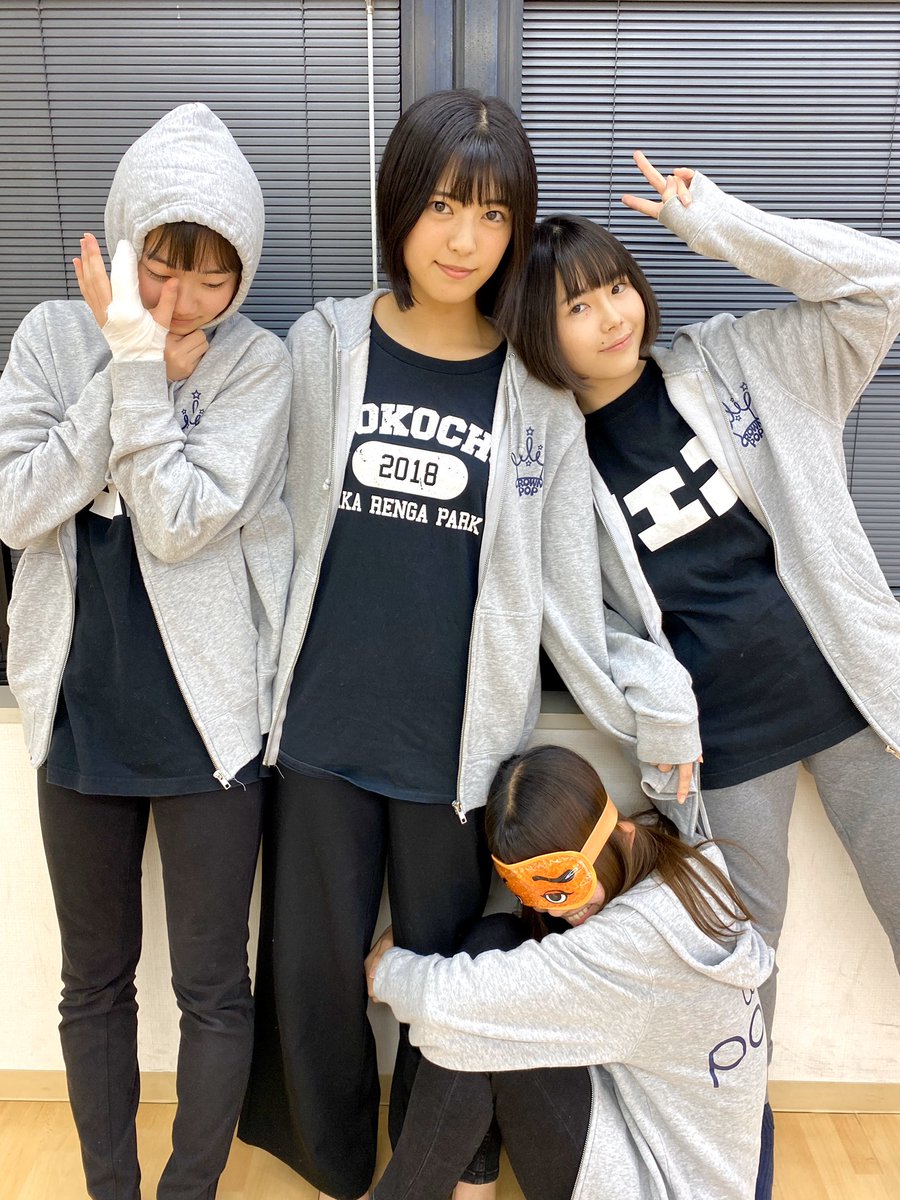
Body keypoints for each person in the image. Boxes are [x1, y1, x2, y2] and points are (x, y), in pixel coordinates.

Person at [237, 91, 701, 1200]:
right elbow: (260, 528)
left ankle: (444, 1164)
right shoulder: (324, 348)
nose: (464, 239)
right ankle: (330, 1167)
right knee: (311, 975)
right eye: (444, 205)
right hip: (320, 728)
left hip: (455, 753)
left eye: (493, 215)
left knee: (453, 976)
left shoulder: (535, 391)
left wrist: (658, 704)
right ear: (401, 203)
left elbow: (571, 591)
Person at [503, 150, 900, 1186]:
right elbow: (585, 630)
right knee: (735, 971)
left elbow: (882, 285)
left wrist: (721, 226)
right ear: (541, 333)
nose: (610, 316)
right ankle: (735, 1165)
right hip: (721, 743)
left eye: (614, 287)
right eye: (576, 307)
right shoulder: (558, 468)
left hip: (858, 699)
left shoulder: (741, 363)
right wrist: (663, 717)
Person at [0, 103, 292, 1200]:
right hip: (76, 717)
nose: (178, 304)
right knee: (93, 985)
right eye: (160, 270)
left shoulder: (257, 365)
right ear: (123, 243)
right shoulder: (50, 336)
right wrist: (126, 363)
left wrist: (137, 368)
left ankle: (189, 1191)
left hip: (210, 724)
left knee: (213, 988)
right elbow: (17, 507)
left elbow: (175, 522)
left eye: (211, 280)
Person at [365, 744, 772, 1200]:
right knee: (495, 946)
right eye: (531, 894)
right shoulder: (691, 859)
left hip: (664, 1187)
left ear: (619, 833)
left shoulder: (632, 946)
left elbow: (442, 1005)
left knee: (471, 1021)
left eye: (564, 886)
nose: (559, 910)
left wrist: (386, 971)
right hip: (707, 1158)